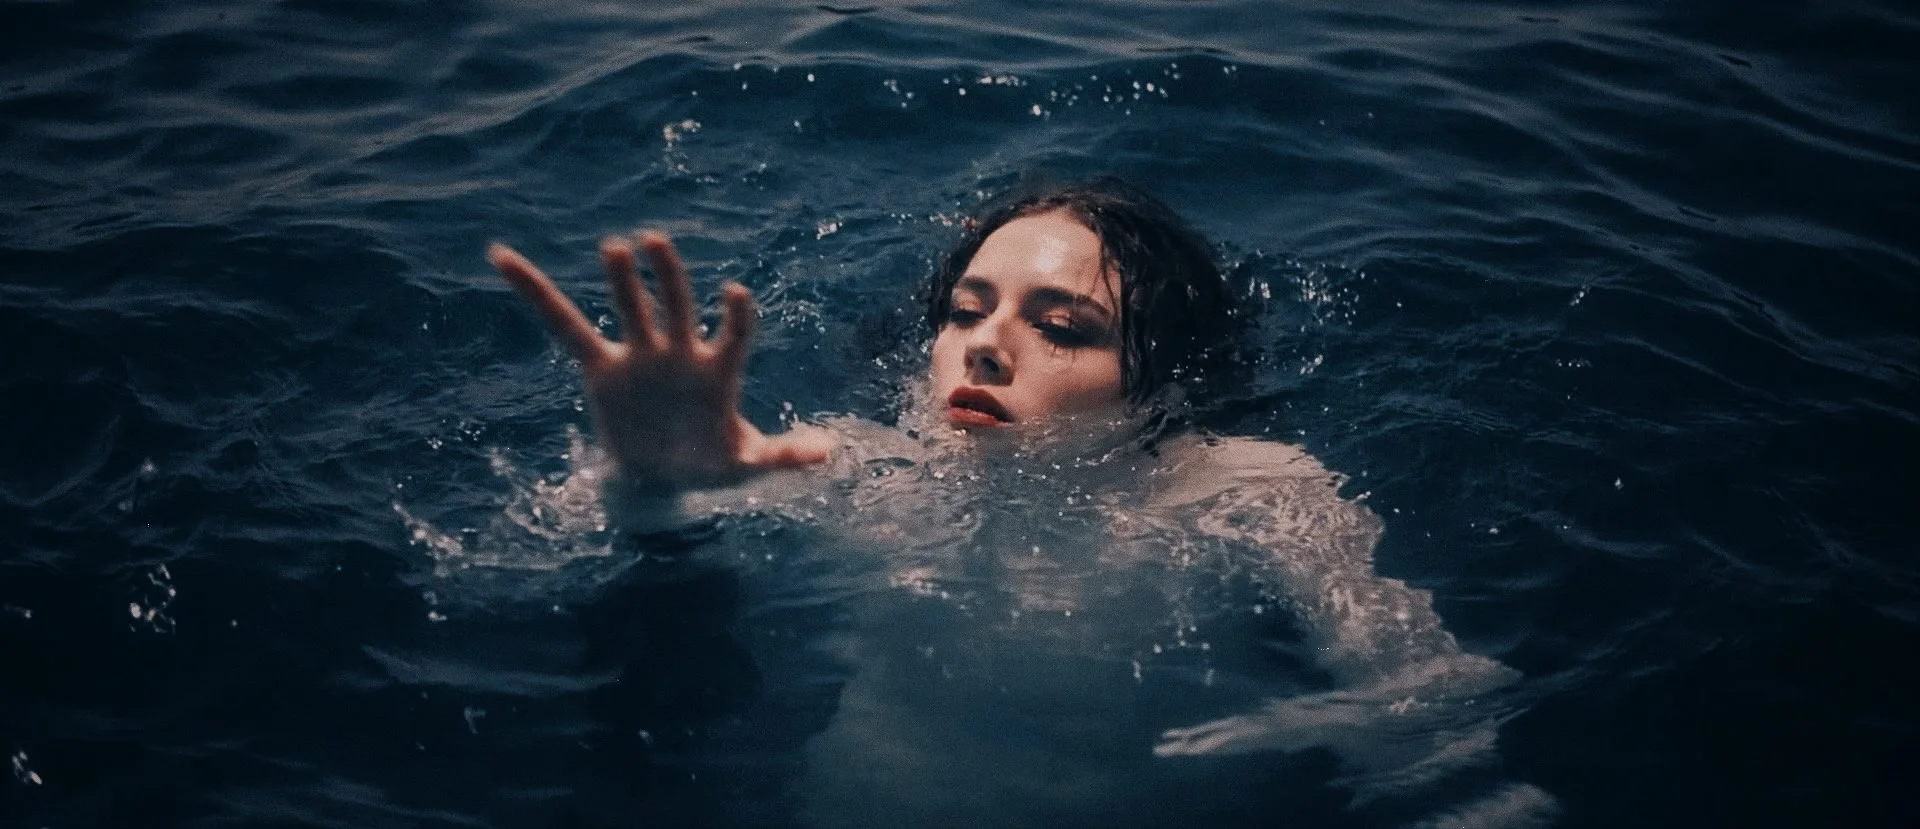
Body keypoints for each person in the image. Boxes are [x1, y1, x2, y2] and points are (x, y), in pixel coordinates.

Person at [488, 178, 1556, 827]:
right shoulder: (862, 469)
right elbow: (526, 563)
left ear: (1166, 382)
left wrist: (1304, 727)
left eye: (1065, 327)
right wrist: (651, 481)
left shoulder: (1250, 493)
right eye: (964, 310)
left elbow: (1434, 706)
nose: (986, 344)